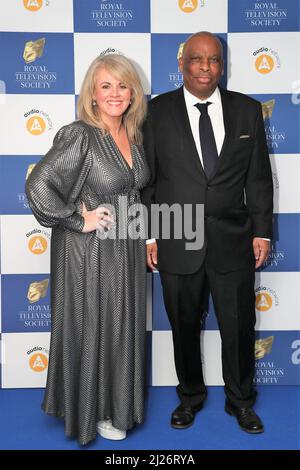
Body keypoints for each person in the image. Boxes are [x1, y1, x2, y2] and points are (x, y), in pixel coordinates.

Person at [142, 32, 273, 434]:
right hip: (175, 238)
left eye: (213, 60)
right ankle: (190, 398)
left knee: (238, 326)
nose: (204, 67)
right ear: (182, 63)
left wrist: (262, 232)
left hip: (233, 240)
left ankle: (241, 402)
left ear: (223, 65)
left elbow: (259, 178)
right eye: (196, 59)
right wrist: (150, 235)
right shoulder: (155, 112)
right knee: (183, 325)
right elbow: (147, 179)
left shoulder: (248, 110)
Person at [26, 53, 150, 445]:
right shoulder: (80, 134)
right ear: (92, 95)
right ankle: (92, 411)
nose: (116, 94)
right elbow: (38, 186)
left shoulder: (132, 134)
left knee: (120, 325)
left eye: (123, 85)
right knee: (95, 325)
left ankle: (116, 404)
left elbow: (131, 193)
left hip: (125, 249)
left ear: (133, 92)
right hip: (89, 254)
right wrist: (79, 220)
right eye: (106, 86)